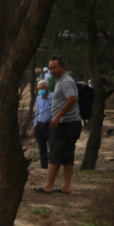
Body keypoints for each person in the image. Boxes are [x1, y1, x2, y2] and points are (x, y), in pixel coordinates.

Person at [35, 55, 82, 195]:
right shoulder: (59, 81)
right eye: (50, 68)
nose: (52, 70)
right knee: (67, 155)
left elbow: (72, 99)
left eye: (55, 67)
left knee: (55, 153)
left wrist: (57, 117)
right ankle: (65, 187)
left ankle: (48, 185)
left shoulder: (66, 82)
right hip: (68, 123)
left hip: (66, 124)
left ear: (63, 67)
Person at [32, 79, 53, 169]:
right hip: (40, 125)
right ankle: (44, 166)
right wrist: (34, 127)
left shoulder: (54, 97)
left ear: (47, 88)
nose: (40, 91)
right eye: (39, 89)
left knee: (52, 145)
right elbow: (37, 113)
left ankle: (53, 164)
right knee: (42, 146)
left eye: (42, 89)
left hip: (50, 125)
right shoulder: (38, 99)